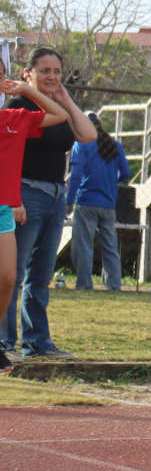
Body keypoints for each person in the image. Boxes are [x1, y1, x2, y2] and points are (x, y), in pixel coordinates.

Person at [3, 47, 96, 359]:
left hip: (56, 195)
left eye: (56, 71)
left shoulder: (58, 107)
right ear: (26, 73)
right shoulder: (18, 105)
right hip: (26, 194)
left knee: (41, 276)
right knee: (12, 274)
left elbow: (88, 135)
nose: (51, 77)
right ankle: (5, 343)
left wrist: (66, 99)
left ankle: (38, 343)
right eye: (44, 71)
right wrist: (14, 199)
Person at [0, 67, 70, 373]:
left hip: (2, 209)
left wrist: (27, 90)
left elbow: (59, 115)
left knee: (7, 278)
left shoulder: (13, 118)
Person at [65, 112, 131, 291]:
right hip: (108, 203)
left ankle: (85, 285)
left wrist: (69, 200)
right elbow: (126, 173)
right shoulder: (115, 145)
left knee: (84, 245)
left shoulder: (82, 143)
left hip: (86, 201)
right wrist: (111, 182)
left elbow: (76, 175)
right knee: (110, 247)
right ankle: (113, 286)